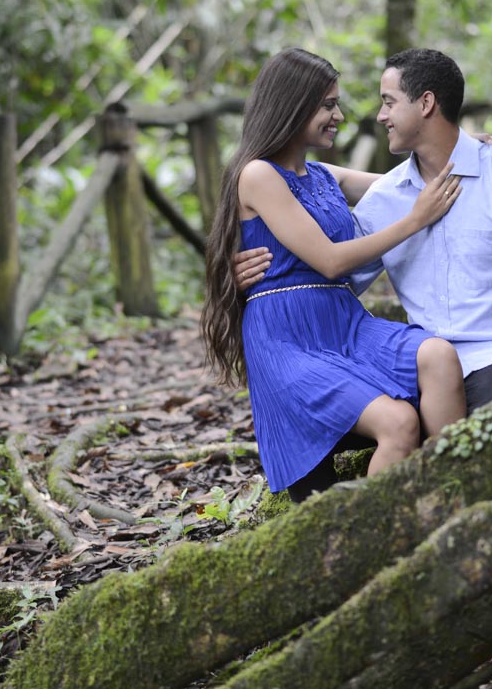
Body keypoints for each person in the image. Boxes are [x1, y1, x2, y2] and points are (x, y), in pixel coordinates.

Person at [235, 47, 492, 422]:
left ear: (426, 104)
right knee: (386, 431)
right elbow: (330, 269)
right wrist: (244, 276)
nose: (379, 116)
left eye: (388, 102)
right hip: (417, 366)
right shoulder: (386, 198)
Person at [201, 48, 470, 499]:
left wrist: (474, 144)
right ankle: (375, 540)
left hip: (343, 323)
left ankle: (452, 498)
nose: (339, 115)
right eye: (327, 104)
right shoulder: (257, 176)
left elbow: (414, 174)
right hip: (289, 338)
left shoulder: (324, 176)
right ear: (292, 104)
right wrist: (414, 221)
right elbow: (330, 261)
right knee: (399, 422)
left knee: (439, 355)